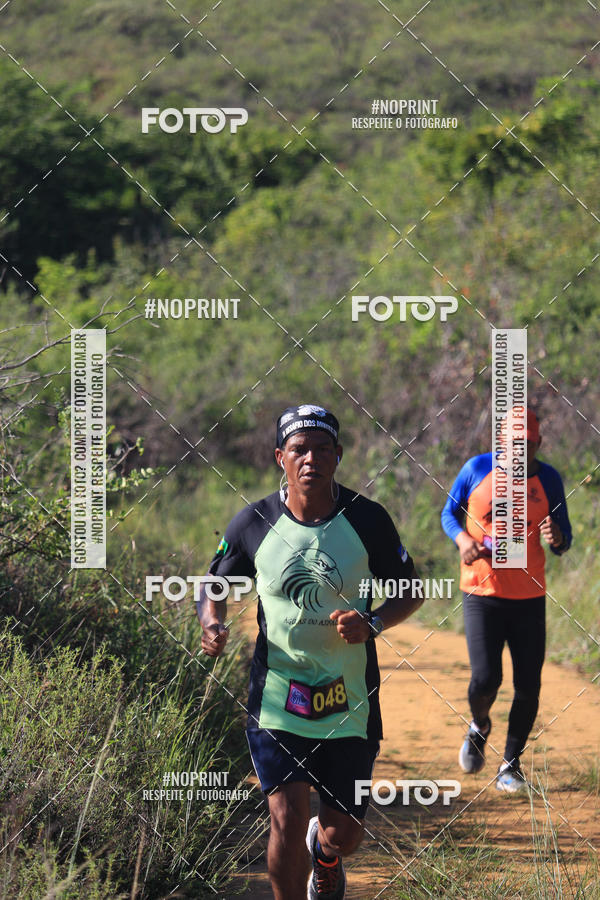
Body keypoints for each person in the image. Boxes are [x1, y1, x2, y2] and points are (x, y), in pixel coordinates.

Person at [197, 404, 422, 900]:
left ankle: (324, 856)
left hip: (348, 699)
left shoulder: (367, 520)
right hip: (278, 696)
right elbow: (213, 584)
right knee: (286, 815)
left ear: (338, 455)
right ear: (280, 457)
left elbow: (411, 590)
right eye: (299, 449)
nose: (311, 459)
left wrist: (375, 621)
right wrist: (211, 622)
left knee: (344, 835)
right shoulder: (254, 522)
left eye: (323, 449)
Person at [441, 408, 572, 792]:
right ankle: (479, 725)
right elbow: (450, 513)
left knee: (528, 684)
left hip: (529, 596)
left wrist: (557, 536)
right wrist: (464, 540)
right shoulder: (476, 469)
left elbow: (564, 538)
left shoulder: (548, 480)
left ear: (538, 444)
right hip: (481, 591)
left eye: (528, 445)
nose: (521, 452)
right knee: (486, 678)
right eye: (514, 444)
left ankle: (510, 765)